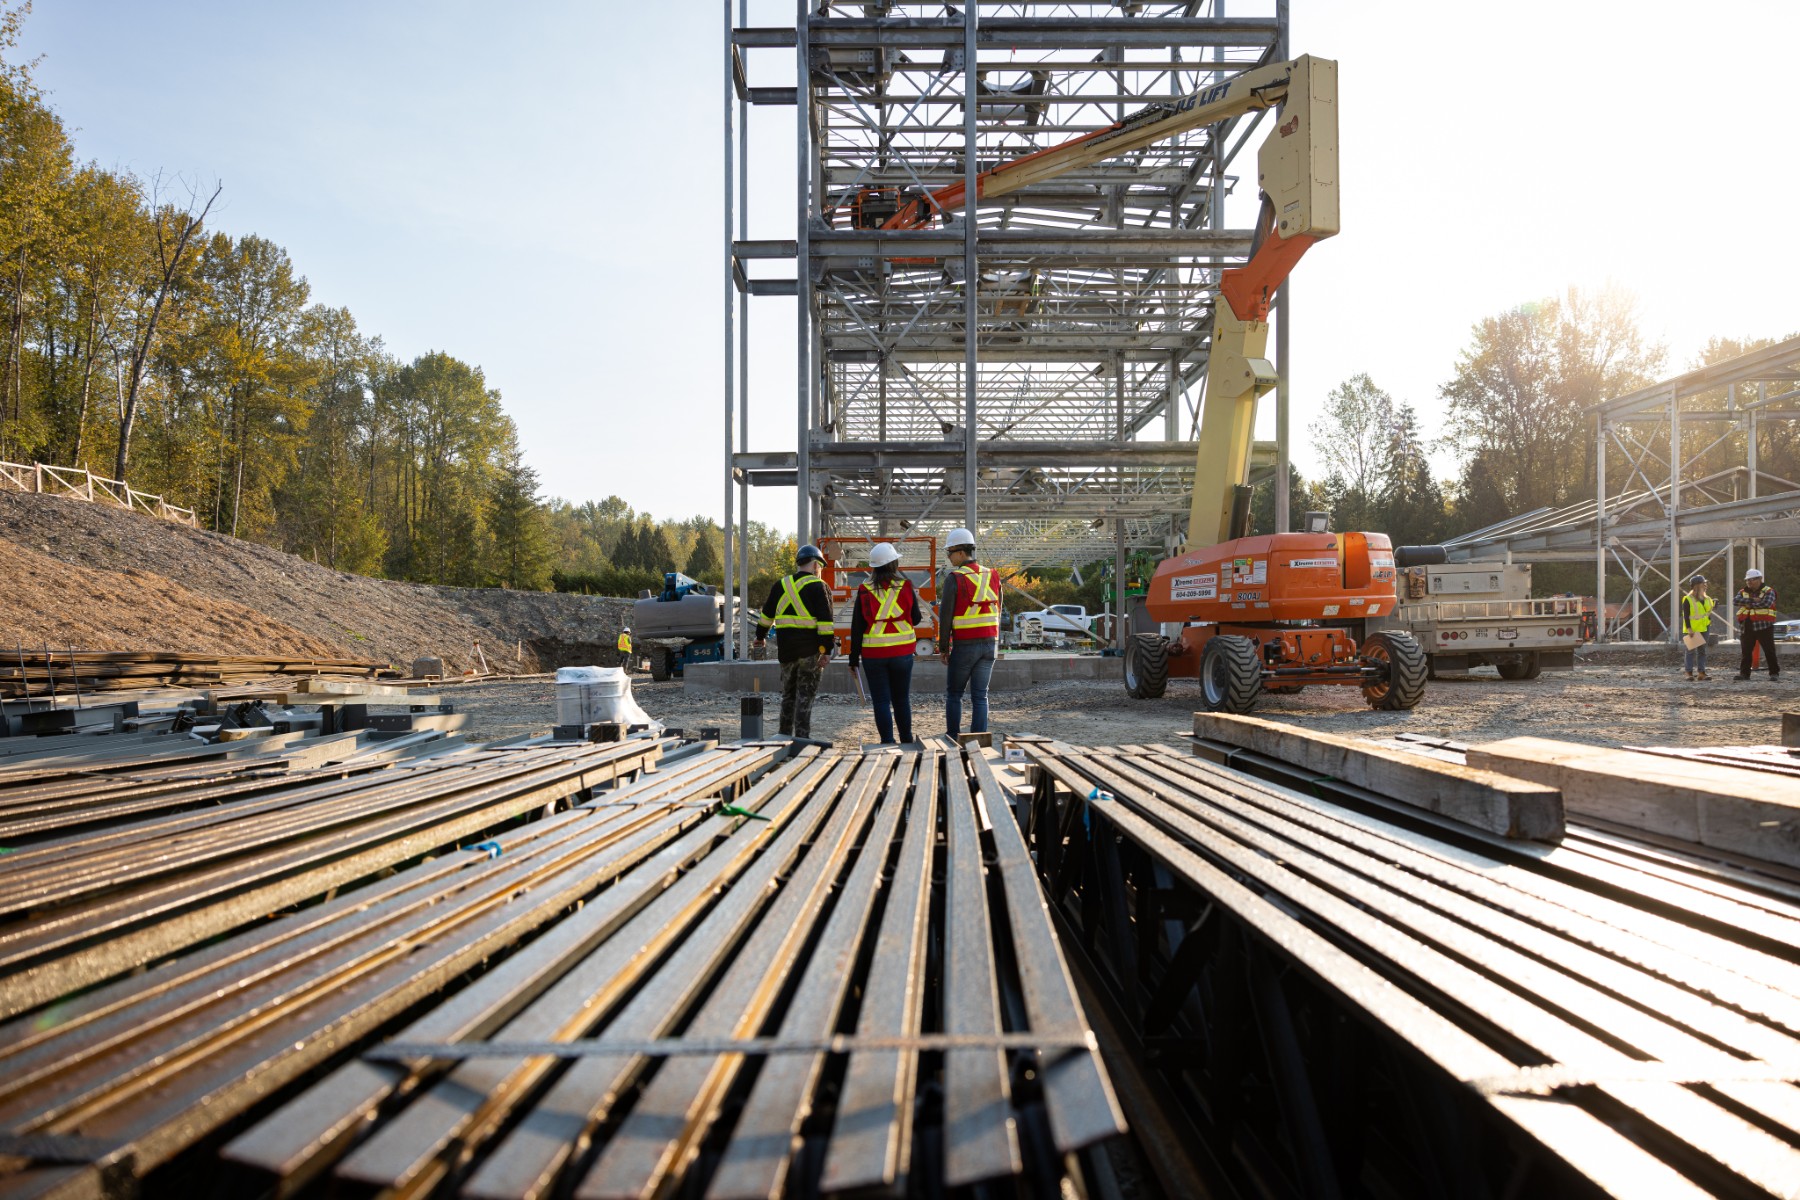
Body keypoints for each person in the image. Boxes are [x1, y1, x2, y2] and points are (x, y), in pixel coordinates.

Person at [753, 544, 837, 738]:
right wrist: (826, 650)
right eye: (821, 567)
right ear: (816, 565)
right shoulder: (819, 586)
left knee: (788, 695)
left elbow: (766, 617)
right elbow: (825, 622)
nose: (820, 571)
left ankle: (783, 736)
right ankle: (801, 738)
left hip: (787, 652)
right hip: (811, 653)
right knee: (805, 696)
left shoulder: (780, 585)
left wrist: (760, 638)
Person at [849, 542, 921, 745]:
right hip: (902, 653)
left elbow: (857, 627)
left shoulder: (864, 589)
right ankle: (906, 740)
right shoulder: (906, 586)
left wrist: (853, 659)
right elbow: (915, 619)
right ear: (893, 563)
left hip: (874, 655)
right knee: (901, 699)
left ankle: (887, 742)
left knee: (881, 701)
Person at [937, 527, 1001, 736]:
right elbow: (999, 607)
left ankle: (953, 736)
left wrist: (943, 647)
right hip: (989, 643)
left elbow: (945, 617)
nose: (948, 557)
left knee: (955, 694)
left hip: (965, 645)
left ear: (961, 552)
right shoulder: (992, 575)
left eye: (950, 552)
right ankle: (978, 738)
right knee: (980, 695)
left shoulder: (955, 578)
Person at [1736, 566, 1780, 681]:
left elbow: (1766, 604)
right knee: (1746, 652)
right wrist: (1752, 601)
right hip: (1747, 625)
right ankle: (1744, 674)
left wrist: (1747, 604)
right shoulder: (1743, 591)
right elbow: (1735, 601)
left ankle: (1774, 673)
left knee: (1769, 650)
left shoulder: (1769, 591)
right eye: (1747, 580)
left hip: (1764, 625)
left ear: (1760, 579)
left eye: (1752, 579)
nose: (1749, 582)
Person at [1679, 574, 1714, 681]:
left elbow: (1708, 612)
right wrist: (1689, 628)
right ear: (1696, 585)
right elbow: (1686, 615)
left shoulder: (1707, 598)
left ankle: (1701, 673)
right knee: (1690, 651)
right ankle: (1689, 673)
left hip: (1704, 628)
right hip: (1693, 629)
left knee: (1702, 651)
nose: (1705, 585)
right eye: (1703, 583)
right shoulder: (1688, 599)